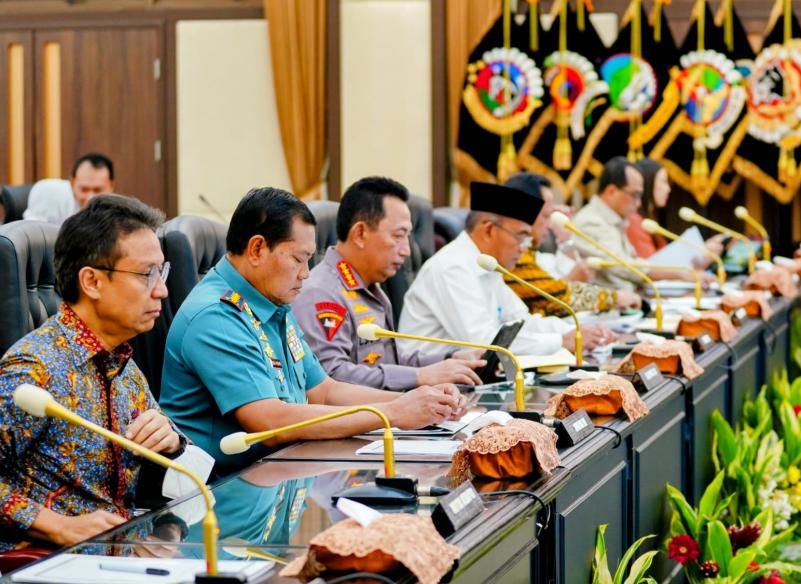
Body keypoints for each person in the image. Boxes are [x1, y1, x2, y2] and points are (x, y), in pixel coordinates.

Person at [160, 188, 466, 473]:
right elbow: (270, 421)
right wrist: (392, 413)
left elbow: (324, 390)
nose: (306, 274)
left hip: (282, 472)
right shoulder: (218, 315)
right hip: (227, 494)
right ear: (257, 249)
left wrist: (413, 401)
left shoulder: (271, 301)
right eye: (298, 259)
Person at [0, 195, 185, 552]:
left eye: (162, 273)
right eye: (147, 275)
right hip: (45, 564)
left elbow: (168, 473)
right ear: (93, 282)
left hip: (119, 555)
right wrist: (55, 526)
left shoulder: (122, 364)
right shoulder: (34, 371)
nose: (161, 290)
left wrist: (172, 443)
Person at [294, 176, 485, 391]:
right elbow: (331, 376)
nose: (407, 250)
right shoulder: (321, 293)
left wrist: (450, 359)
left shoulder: (371, 288)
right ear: (360, 234)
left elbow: (386, 362)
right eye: (398, 236)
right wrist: (420, 376)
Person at [397, 182, 616, 357]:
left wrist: (574, 333)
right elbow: (483, 344)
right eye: (521, 236)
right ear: (490, 230)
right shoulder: (451, 267)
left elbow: (521, 322)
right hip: (427, 385)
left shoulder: (488, 265)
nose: (525, 247)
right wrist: (561, 341)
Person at [502, 172, 642, 317]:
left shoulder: (531, 251)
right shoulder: (512, 251)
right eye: (545, 215)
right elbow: (553, 297)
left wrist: (565, 240)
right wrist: (613, 298)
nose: (550, 224)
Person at [571, 157, 705, 290]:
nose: (639, 203)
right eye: (635, 195)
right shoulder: (591, 220)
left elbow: (634, 261)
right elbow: (622, 265)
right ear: (611, 191)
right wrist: (679, 273)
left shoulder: (615, 220)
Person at [627, 158, 724, 264]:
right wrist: (701, 251)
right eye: (663, 181)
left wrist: (704, 254)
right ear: (647, 182)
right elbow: (652, 269)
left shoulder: (648, 220)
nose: (668, 189)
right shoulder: (634, 221)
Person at [23, 153, 115, 225]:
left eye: (97, 190)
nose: (90, 197)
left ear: (111, 186)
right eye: (84, 189)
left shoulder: (119, 213)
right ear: (72, 183)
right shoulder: (48, 194)